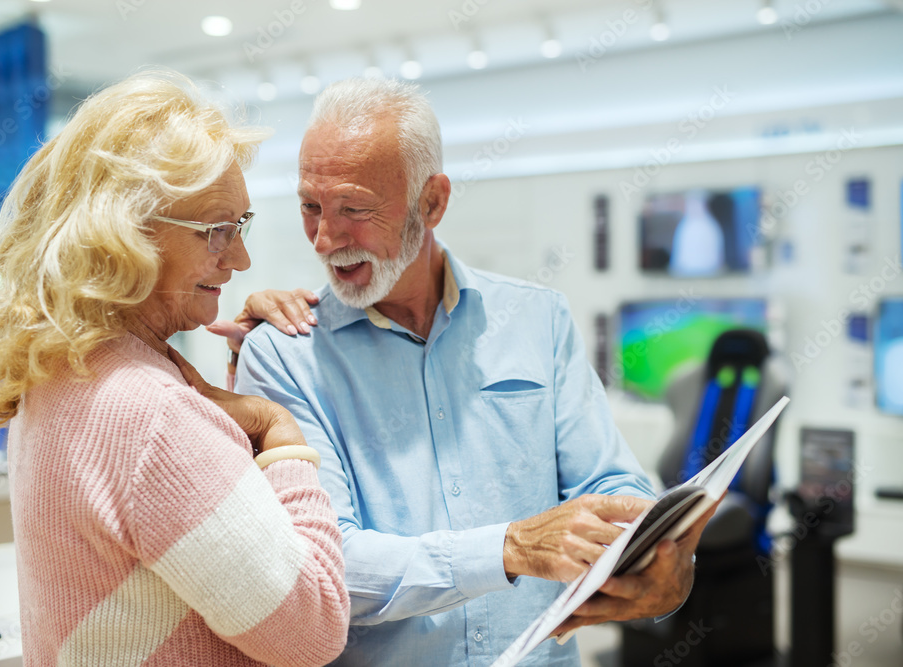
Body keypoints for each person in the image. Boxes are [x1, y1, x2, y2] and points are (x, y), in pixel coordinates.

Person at [217, 78, 716, 666]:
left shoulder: (537, 318)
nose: (326, 238)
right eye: (310, 206)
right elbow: (327, 568)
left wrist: (656, 555)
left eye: (353, 209)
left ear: (432, 202)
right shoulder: (282, 354)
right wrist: (509, 548)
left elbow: (608, 486)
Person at [0, 70, 349, 667]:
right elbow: (313, 629)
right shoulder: (152, 416)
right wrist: (281, 435)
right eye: (216, 230)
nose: (238, 258)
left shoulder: (64, 369)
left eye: (240, 226)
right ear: (124, 233)